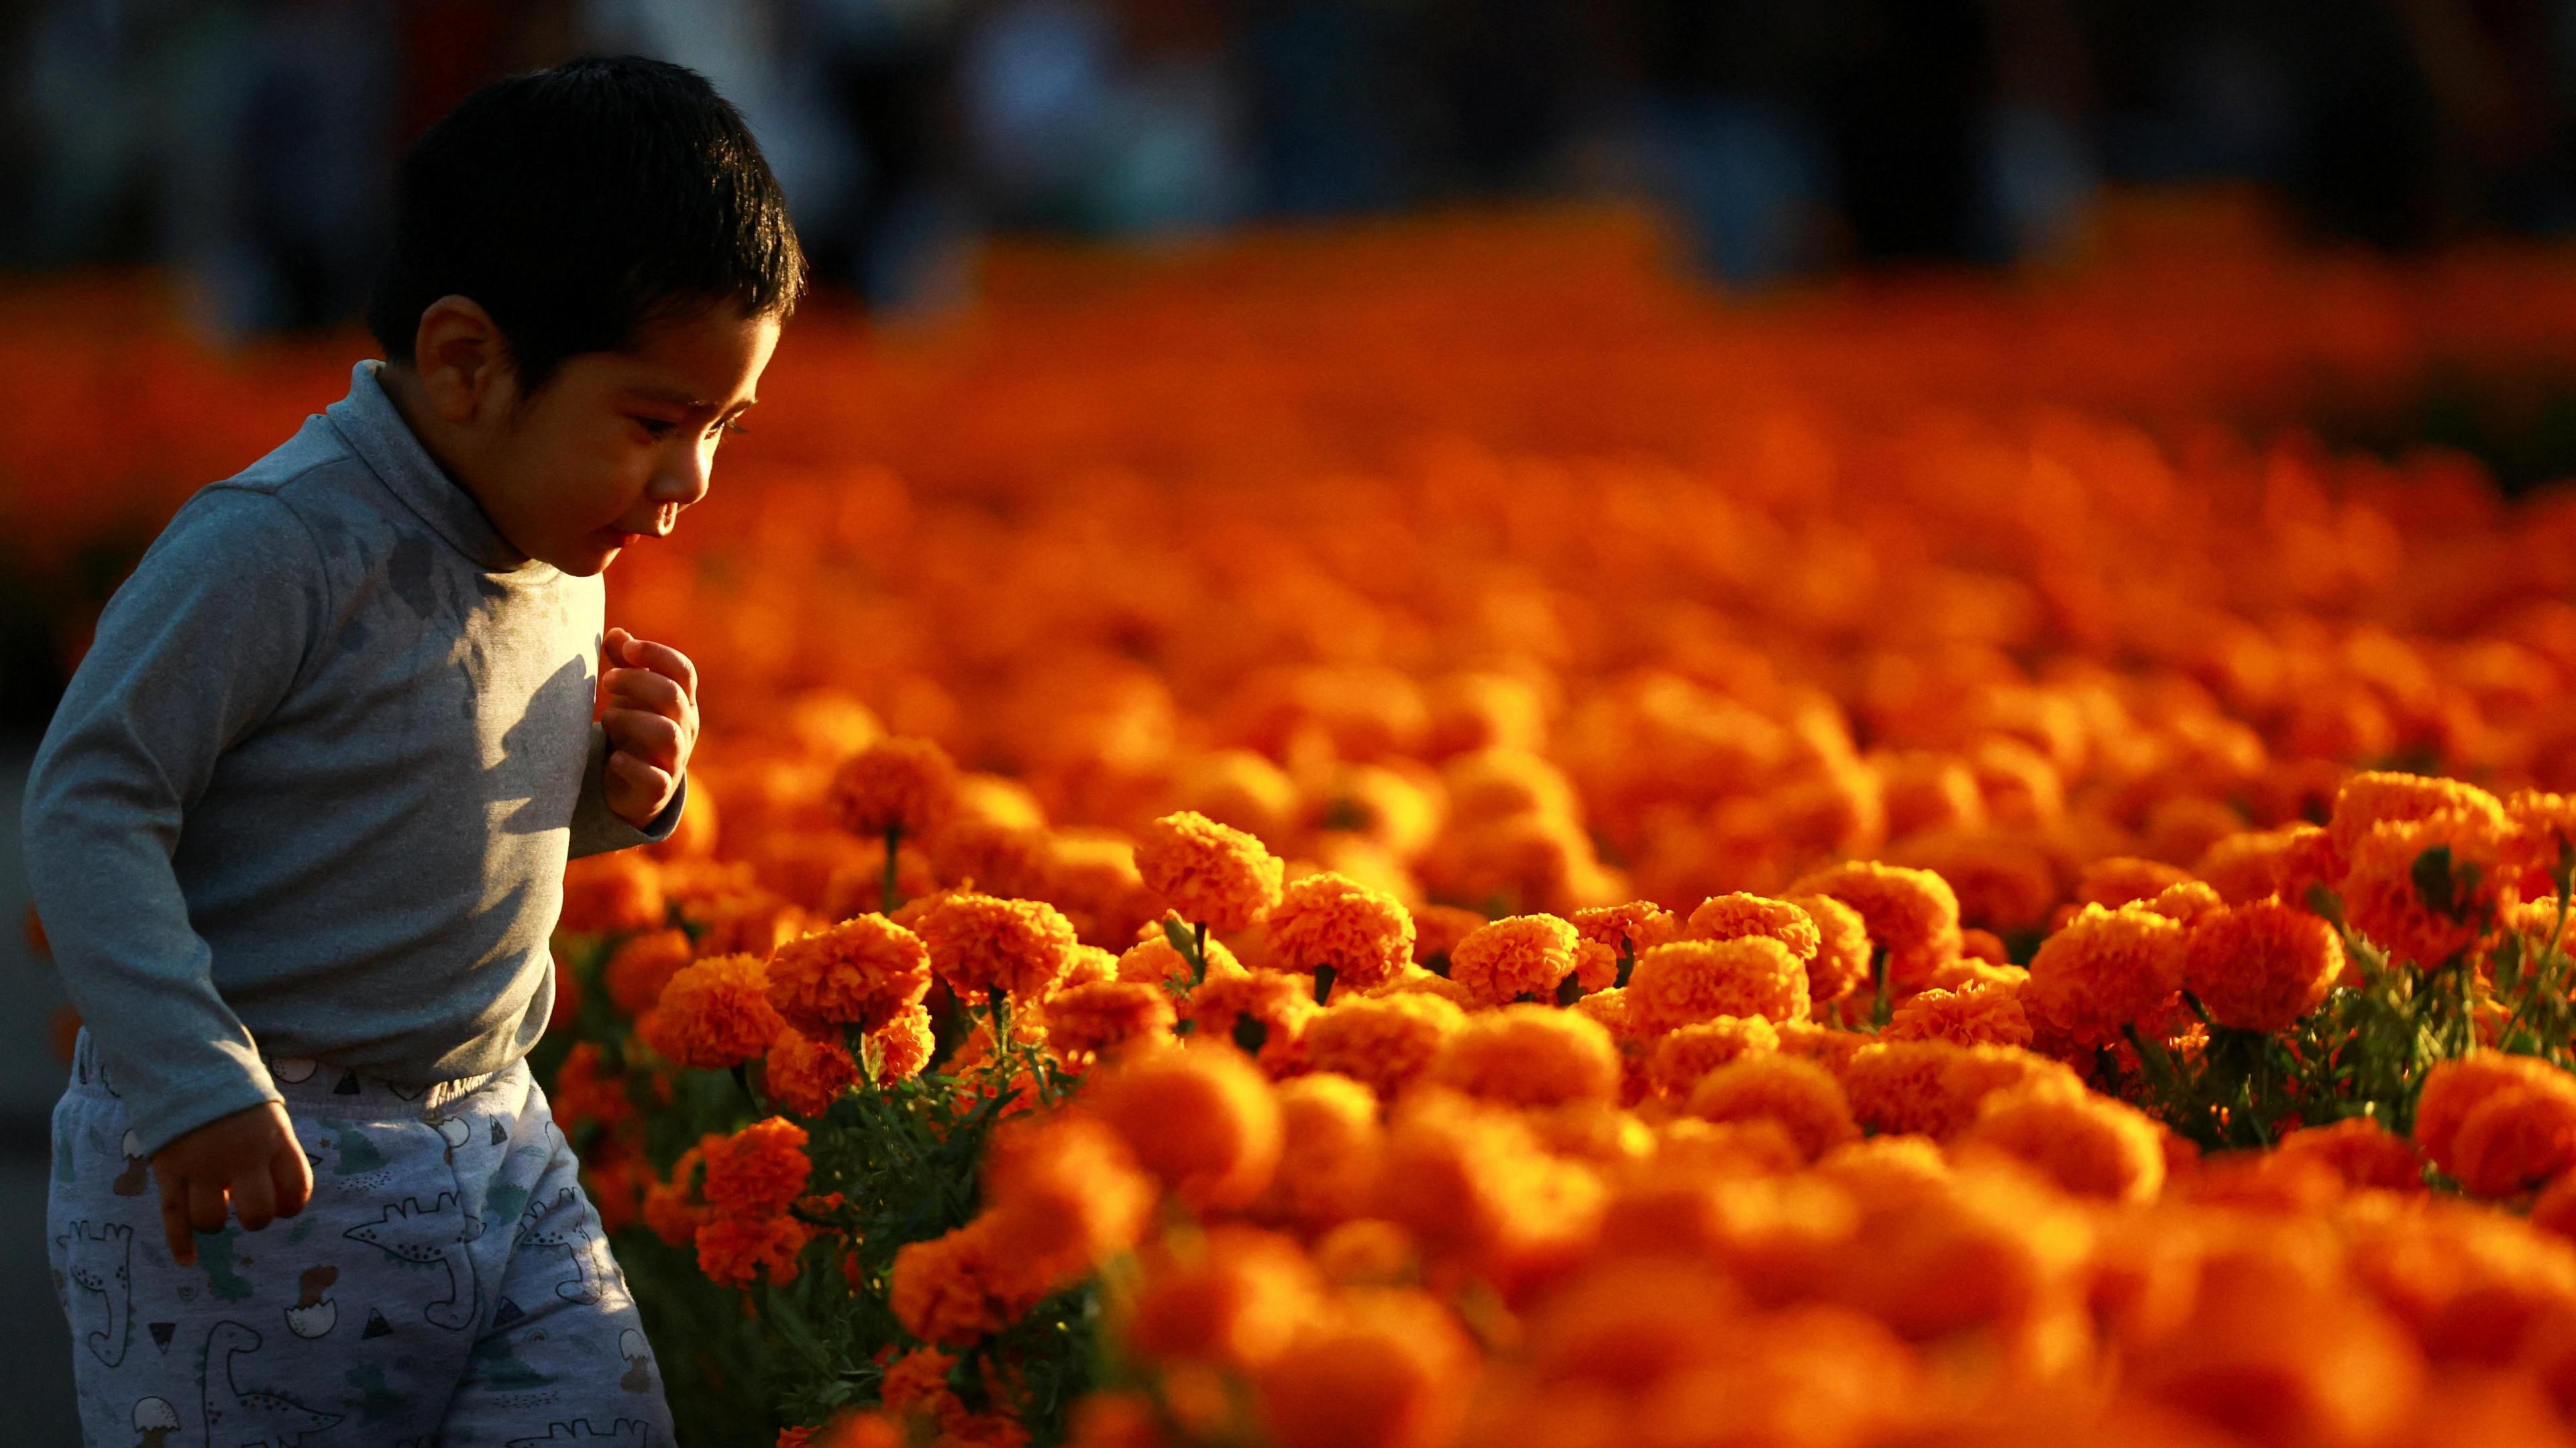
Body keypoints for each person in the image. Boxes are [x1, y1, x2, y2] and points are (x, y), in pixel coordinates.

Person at [22, 55, 802, 1445]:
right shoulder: (276, 544)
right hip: (257, 1153)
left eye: (724, 429)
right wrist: (189, 1075)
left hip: (497, 1130)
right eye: (655, 423)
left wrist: (617, 795)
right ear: (465, 363)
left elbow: (414, 812)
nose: (690, 485)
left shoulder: (557, 535)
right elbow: (91, 800)